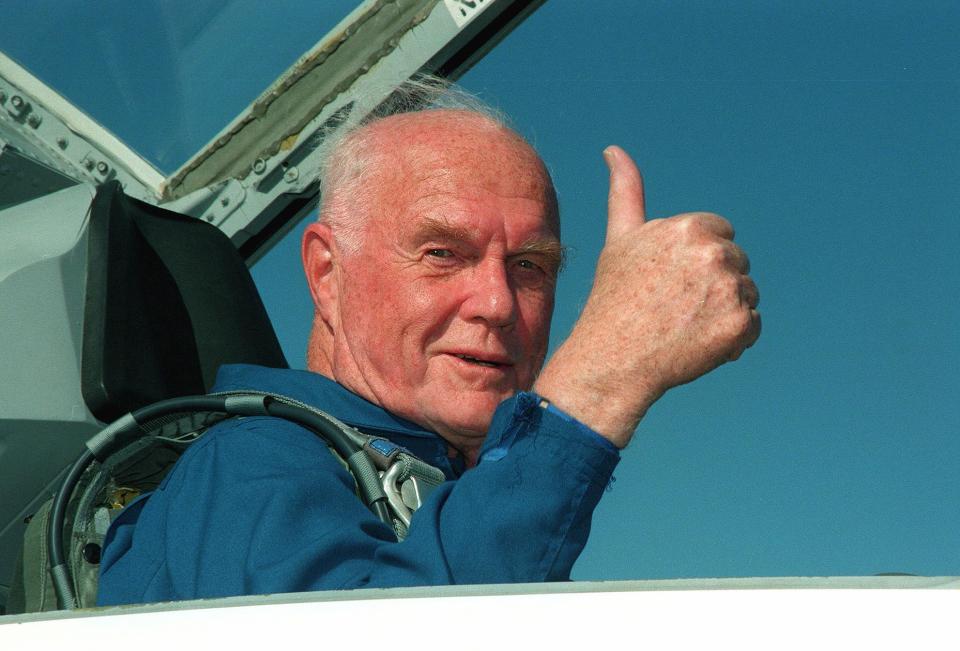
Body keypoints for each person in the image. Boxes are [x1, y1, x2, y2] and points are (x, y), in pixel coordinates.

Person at [97, 94, 759, 605]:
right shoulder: (247, 464)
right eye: (442, 253)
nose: (497, 303)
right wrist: (601, 380)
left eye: (529, 266)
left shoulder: (454, 510)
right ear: (328, 273)